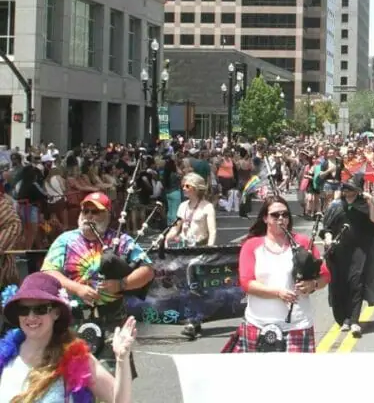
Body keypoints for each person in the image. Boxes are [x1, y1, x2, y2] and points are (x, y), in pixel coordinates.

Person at [40, 191, 153, 372]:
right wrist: (76, 288)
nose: (89, 216)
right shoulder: (66, 240)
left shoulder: (122, 241)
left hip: (112, 322)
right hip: (73, 322)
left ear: (108, 214)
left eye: (96, 212)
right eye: (86, 211)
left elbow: (147, 271)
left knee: (112, 384)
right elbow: (48, 272)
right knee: (74, 382)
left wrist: (121, 284)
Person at [0, 272, 137, 402]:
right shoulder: (5, 355)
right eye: (24, 310)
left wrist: (121, 359)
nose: (31, 317)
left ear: (56, 313)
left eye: (40, 309)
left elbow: (119, 400)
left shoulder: (76, 358)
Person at [223, 196, 330, 353]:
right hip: (258, 324)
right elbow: (246, 282)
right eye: (275, 215)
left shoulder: (303, 243)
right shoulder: (252, 245)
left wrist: (312, 285)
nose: (281, 218)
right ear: (265, 218)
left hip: (297, 325)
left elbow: (325, 275)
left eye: (285, 214)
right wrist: (277, 293)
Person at [321, 173, 374, 337]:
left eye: (351, 188)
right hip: (338, 252)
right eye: (345, 188)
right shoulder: (335, 205)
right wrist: (328, 238)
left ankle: (355, 320)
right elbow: (326, 227)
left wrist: (371, 200)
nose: (347, 191)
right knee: (339, 285)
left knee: (356, 284)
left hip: (359, 251)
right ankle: (344, 319)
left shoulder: (364, 204)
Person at [165, 172, 217, 340]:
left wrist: (210, 250)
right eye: (183, 185)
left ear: (196, 188)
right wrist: (168, 237)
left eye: (187, 186)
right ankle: (192, 320)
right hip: (185, 248)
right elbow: (177, 227)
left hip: (200, 250)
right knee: (184, 285)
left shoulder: (207, 207)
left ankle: (193, 321)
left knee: (194, 284)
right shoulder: (182, 206)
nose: (184, 189)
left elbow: (212, 231)